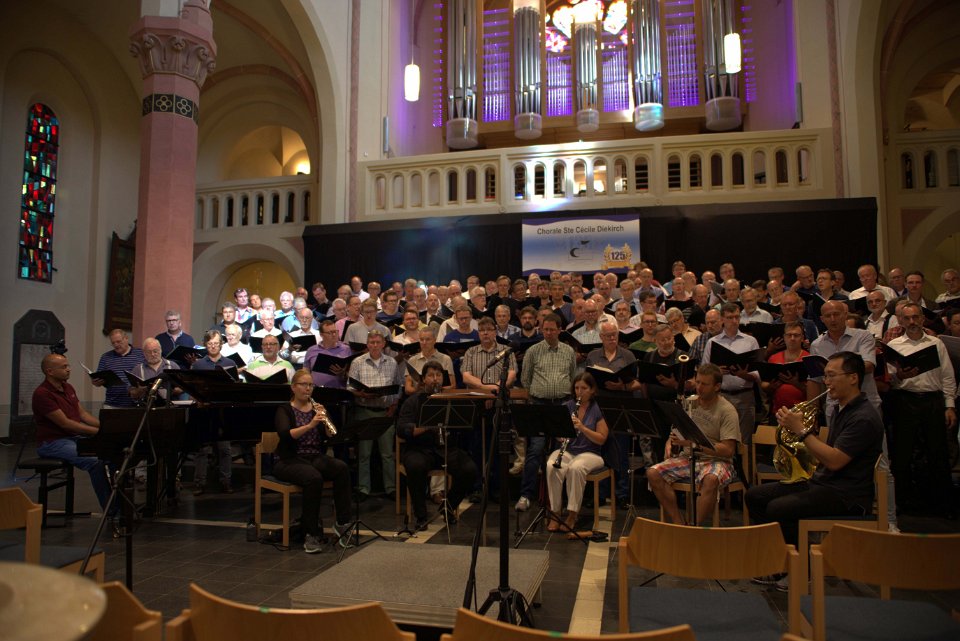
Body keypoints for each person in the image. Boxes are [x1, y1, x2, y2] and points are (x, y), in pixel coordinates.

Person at [746, 352, 884, 587]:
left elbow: (835, 461)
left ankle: (804, 569)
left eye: (831, 376)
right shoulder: (842, 409)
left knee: (779, 508)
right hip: (825, 483)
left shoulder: (863, 417)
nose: (826, 382)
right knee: (755, 496)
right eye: (825, 376)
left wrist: (801, 430)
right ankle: (782, 561)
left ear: (853, 378)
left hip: (847, 494)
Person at [886, 302, 957, 518]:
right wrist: (900, 376)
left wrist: (949, 405)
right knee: (903, 453)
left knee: (937, 452)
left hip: (932, 400)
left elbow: (947, 376)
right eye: (907, 318)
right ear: (901, 320)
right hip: (905, 400)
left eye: (915, 317)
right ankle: (904, 503)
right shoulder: (895, 345)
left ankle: (942, 504)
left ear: (922, 318)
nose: (912, 322)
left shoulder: (936, 343)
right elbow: (890, 380)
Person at [646, 364, 741, 526]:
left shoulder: (727, 410)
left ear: (717, 386)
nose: (699, 388)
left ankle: (693, 527)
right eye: (697, 382)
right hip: (688, 457)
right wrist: (670, 442)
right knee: (653, 473)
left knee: (711, 479)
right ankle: (678, 522)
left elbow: (728, 450)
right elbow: (676, 431)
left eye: (705, 384)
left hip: (716, 460)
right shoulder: (689, 403)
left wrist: (696, 445)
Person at [273, 370, 353, 552]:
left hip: (313, 456)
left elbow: (331, 435)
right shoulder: (284, 409)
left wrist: (325, 422)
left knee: (341, 468)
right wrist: (310, 425)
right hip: (288, 459)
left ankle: (342, 523)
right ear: (293, 387)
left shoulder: (317, 408)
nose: (308, 388)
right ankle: (310, 533)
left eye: (311, 385)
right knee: (313, 478)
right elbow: (286, 435)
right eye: (304, 385)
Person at [397, 361, 479, 530]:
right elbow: (402, 429)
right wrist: (427, 425)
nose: (435, 379)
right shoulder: (413, 401)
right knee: (415, 466)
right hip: (419, 448)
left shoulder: (450, 399)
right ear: (423, 379)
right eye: (431, 376)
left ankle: (447, 507)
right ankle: (421, 515)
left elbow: (464, 425)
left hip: (446, 448)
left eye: (439, 375)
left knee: (469, 470)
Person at [33, 353, 113, 513]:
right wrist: (99, 432)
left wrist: (108, 427)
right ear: (50, 371)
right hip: (53, 442)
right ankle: (113, 511)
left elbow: (82, 415)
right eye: (64, 367)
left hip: (72, 438)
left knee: (113, 454)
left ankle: (121, 504)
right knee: (94, 462)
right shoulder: (42, 394)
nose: (69, 369)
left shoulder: (68, 387)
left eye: (68, 366)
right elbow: (66, 423)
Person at [516, 314, 577, 512]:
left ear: (559, 330)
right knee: (535, 448)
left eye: (552, 329)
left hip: (561, 405)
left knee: (562, 450)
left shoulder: (568, 351)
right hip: (539, 404)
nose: (548, 333)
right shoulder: (533, 351)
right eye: (545, 329)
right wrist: (539, 392)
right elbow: (525, 379)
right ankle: (526, 495)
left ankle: (558, 499)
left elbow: (572, 376)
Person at [545, 372, 609, 535]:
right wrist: (561, 435)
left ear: (592, 390)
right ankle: (555, 512)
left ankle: (573, 514)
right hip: (569, 450)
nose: (579, 392)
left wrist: (582, 428)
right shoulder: (567, 406)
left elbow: (601, 439)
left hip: (592, 453)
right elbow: (557, 432)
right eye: (577, 388)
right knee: (552, 465)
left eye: (584, 388)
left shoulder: (598, 409)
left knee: (576, 468)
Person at [347, 330, 400, 500]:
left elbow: (398, 388)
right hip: (365, 410)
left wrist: (393, 407)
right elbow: (350, 387)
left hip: (385, 412)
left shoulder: (391, 362)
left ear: (383, 344)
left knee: (387, 454)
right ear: (367, 344)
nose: (375, 345)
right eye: (372, 342)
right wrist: (361, 394)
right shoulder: (358, 362)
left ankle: (390, 488)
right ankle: (363, 488)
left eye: (378, 342)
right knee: (364, 454)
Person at [702, 302, 761, 443]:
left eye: (737, 317)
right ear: (722, 319)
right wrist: (717, 372)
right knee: (721, 438)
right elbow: (704, 372)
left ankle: (744, 459)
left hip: (744, 396)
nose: (734, 321)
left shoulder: (750, 341)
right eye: (730, 317)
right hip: (721, 395)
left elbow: (758, 374)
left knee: (744, 441)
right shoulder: (712, 342)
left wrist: (743, 374)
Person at [190, 330, 235, 495]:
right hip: (204, 410)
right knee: (202, 449)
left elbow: (234, 388)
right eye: (210, 344)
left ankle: (226, 482)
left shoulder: (230, 363)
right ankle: (199, 483)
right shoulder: (198, 365)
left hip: (223, 411)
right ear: (205, 345)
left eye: (216, 343)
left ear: (221, 344)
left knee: (225, 449)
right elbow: (193, 388)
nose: (213, 346)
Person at [762, 322, 809, 416]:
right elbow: (764, 385)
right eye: (789, 335)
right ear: (784, 337)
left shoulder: (809, 359)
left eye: (796, 335)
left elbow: (816, 392)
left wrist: (797, 384)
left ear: (802, 338)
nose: (792, 338)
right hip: (777, 412)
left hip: (802, 412)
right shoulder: (773, 358)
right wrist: (771, 387)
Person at [93, 329, 144, 408]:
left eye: (118, 341)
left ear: (126, 338)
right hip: (112, 404)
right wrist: (96, 382)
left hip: (136, 404)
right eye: (113, 343)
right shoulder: (106, 357)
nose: (116, 345)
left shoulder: (141, 354)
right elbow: (99, 378)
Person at [303, 319, 353, 389]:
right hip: (316, 390)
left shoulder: (346, 349)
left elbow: (353, 374)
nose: (334, 335)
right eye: (330, 332)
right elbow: (305, 371)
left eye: (335, 331)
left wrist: (343, 374)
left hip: (338, 390)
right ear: (321, 335)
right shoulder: (311, 350)